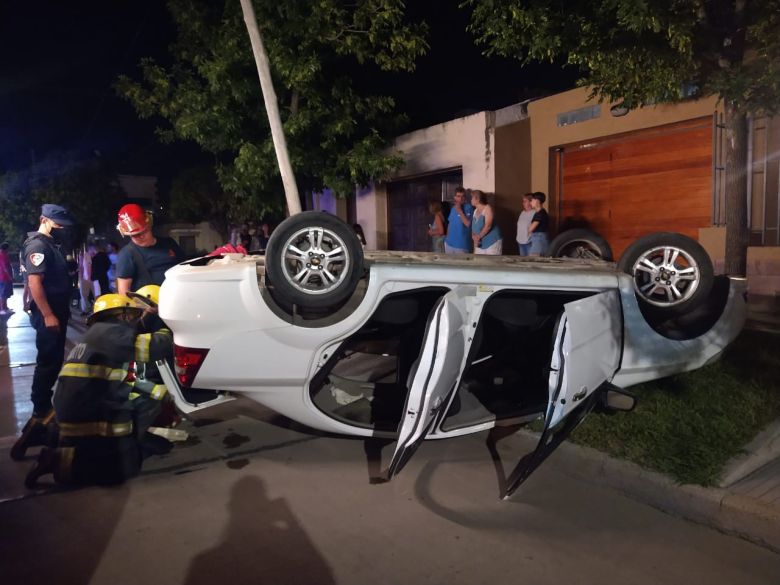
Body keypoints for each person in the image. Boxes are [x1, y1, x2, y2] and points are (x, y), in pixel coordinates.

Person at [24, 293, 174, 488]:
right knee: (122, 470)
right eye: (132, 314)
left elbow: (125, 375)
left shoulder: (97, 334)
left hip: (71, 412)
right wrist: (168, 327)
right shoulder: (112, 336)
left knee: (148, 396)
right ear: (121, 315)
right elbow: (157, 347)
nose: (135, 319)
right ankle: (60, 461)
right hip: (89, 415)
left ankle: (45, 433)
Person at [10, 204, 76, 461]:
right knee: (48, 362)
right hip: (50, 312)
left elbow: (31, 283)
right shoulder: (38, 246)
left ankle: (42, 410)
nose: (62, 229)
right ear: (44, 221)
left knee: (52, 360)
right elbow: (35, 282)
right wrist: (47, 314)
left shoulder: (49, 246)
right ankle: (40, 411)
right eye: (58, 224)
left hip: (54, 310)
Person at [115, 203, 185, 294]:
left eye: (143, 232)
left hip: (179, 297)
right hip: (149, 305)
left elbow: (185, 268)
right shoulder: (126, 255)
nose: (140, 237)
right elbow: (124, 292)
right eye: (134, 235)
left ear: (149, 224)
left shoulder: (169, 243)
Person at [470, 190, 503, 255]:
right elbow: (474, 227)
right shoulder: (475, 211)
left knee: (492, 263)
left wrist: (478, 237)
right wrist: (473, 236)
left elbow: (488, 226)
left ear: (478, 199)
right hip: (480, 244)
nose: (471, 200)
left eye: (472, 198)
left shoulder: (488, 208)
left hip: (492, 242)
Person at [444, 187, 474, 254]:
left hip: (462, 245)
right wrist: (447, 238)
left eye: (463, 196)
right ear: (455, 197)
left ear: (465, 197)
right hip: (449, 244)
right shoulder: (453, 208)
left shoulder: (469, 207)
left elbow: (468, 224)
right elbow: (450, 223)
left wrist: (460, 211)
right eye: (458, 196)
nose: (460, 199)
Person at [528, 191, 550, 256]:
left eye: (532, 200)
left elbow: (531, 229)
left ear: (537, 201)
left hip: (539, 240)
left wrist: (529, 228)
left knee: (534, 260)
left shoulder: (540, 214)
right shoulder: (540, 213)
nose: (530, 202)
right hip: (539, 239)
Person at [0, 242, 13, 315]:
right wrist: (9, 276)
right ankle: (2, 309)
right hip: (3, 277)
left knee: (5, 293)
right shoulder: (2, 255)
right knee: (3, 293)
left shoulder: (4, 254)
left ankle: (5, 307)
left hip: (5, 277)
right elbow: (4, 267)